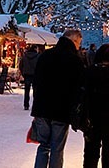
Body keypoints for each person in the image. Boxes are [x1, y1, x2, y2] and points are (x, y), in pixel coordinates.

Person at [31, 29, 85, 168]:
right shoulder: (75, 60)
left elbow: (36, 82)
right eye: (79, 43)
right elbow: (79, 87)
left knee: (43, 146)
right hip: (61, 111)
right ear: (73, 41)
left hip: (42, 108)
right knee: (57, 148)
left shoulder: (45, 56)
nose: (79, 47)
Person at [19, 45, 40, 110]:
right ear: (35, 49)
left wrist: (23, 73)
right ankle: (35, 105)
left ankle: (26, 105)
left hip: (27, 75)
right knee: (35, 91)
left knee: (27, 91)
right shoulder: (38, 57)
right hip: (35, 75)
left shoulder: (24, 56)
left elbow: (21, 65)